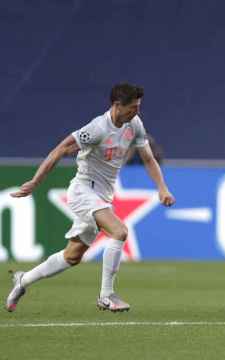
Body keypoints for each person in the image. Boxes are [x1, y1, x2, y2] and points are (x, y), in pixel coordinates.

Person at [6, 83, 175, 312]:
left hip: (103, 195)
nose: (136, 111)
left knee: (72, 256)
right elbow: (61, 150)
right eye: (132, 107)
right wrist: (36, 182)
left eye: (138, 107)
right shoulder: (97, 128)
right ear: (117, 105)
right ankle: (106, 296)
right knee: (120, 231)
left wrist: (162, 188)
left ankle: (23, 280)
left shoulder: (134, 125)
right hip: (83, 190)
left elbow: (147, 158)